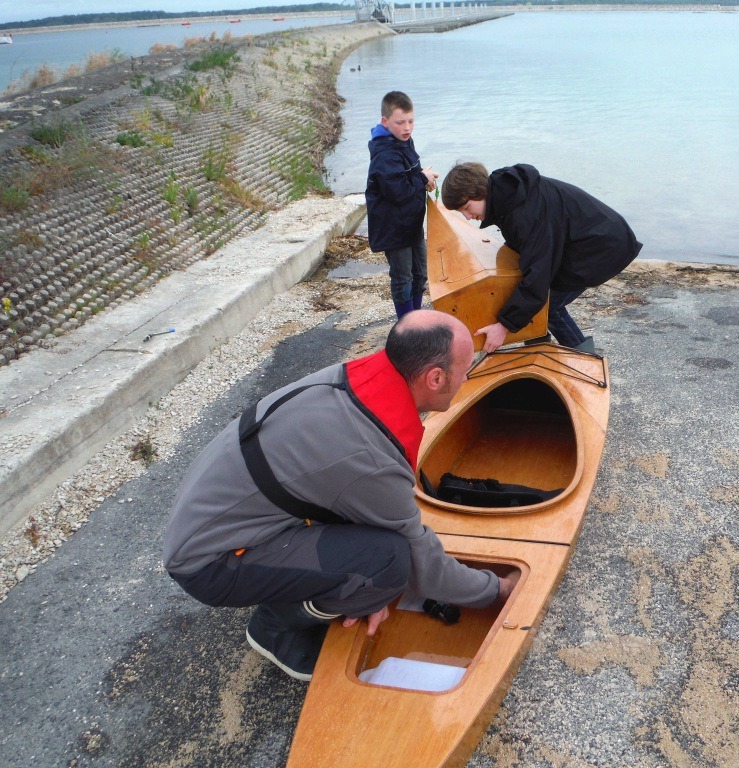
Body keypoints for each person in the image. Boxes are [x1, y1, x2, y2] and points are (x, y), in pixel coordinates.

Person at [163, 310, 516, 681]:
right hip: (210, 561)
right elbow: (422, 566)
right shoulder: (371, 454)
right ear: (435, 377)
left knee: (374, 553)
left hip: (214, 511)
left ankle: (303, 587)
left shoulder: (356, 377)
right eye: (465, 369)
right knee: (387, 563)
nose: (467, 376)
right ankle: (274, 628)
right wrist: (495, 589)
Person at [440, 162, 642, 353]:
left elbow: (538, 275)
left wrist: (504, 325)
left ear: (480, 192)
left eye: (466, 208)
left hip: (602, 246)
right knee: (532, 299)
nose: (467, 217)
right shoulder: (508, 196)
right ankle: (537, 354)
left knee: (548, 306)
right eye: (461, 212)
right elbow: (527, 251)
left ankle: (587, 363)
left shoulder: (524, 214)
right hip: (579, 241)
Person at [365, 91, 439, 319]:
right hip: (394, 229)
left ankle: (415, 318)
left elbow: (410, 175)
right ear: (385, 122)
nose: (407, 127)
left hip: (412, 224)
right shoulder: (384, 154)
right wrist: (422, 178)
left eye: (411, 121)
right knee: (403, 277)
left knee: (420, 272)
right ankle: (406, 324)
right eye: (400, 122)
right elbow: (398, 192)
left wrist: (424, 178)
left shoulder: (404, 141)